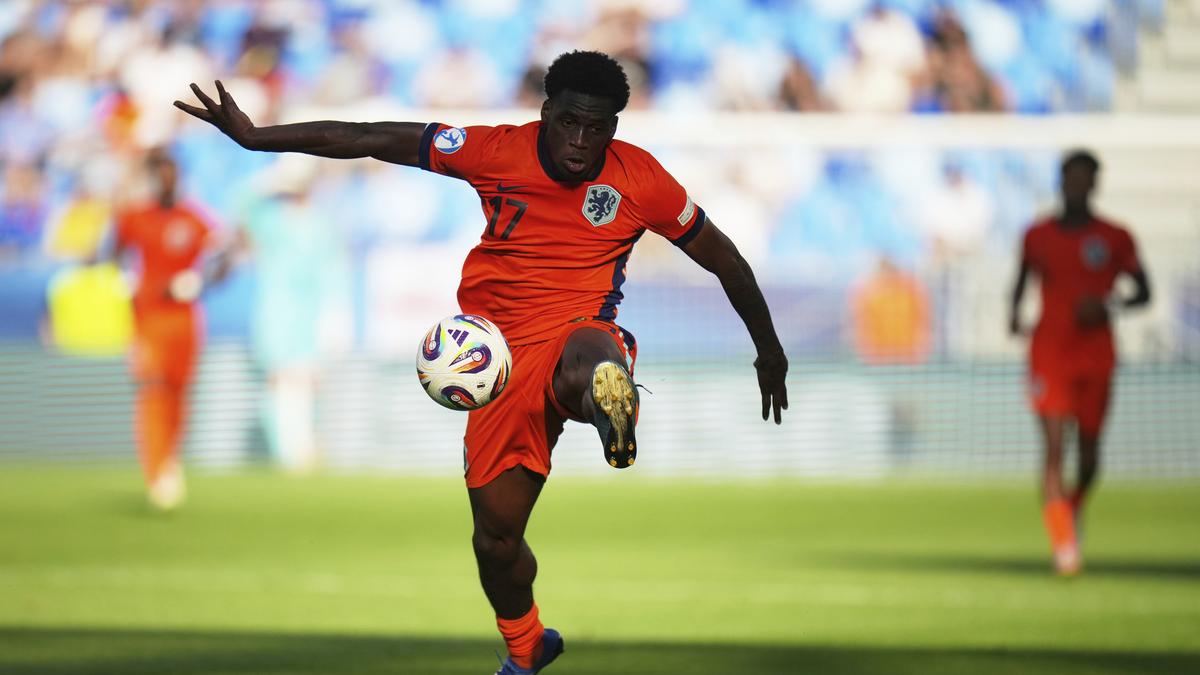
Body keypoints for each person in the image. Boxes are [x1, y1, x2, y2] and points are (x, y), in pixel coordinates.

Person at [176, 50, 789, 674]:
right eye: (570, 122)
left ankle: (611, 405)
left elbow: (725, 259)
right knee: (496, 542)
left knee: (591, 357)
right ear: (545, 112)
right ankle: (528, 648)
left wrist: (768, 349)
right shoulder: (496, 151)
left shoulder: (642, 180)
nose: (581, 141)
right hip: (496, 361)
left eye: (597, 128)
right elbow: (370, 138)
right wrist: (258, 137)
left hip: (579, 329)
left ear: (614, 127)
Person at [1008, 150, 1150, 576]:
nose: (1075, 185)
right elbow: (1020, 282)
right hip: (1050, 352)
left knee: (1089, 457)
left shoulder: (1116, 237)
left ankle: (1072, 507)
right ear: (1061, 181)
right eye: (1069, 176)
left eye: (1083, 177)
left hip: (1096, 354)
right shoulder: (1036, 235)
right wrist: (1013, 315)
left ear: (1094, 184)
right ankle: (1064, 546)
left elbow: (1144, 292)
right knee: (1054, 448)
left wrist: (1109, 305)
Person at [112, 148, 224, 510]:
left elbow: (223, 258)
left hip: (185, 319)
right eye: (160, 175)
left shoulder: (193, 218)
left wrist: (199, 280)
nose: (166, 182)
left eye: (171, 175)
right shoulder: (135, 216)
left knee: (178, 392)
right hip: (148, 318)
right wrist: (123, 279)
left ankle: (169, 458)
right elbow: (114, 251)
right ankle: (157, 470)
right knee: (153, 388)